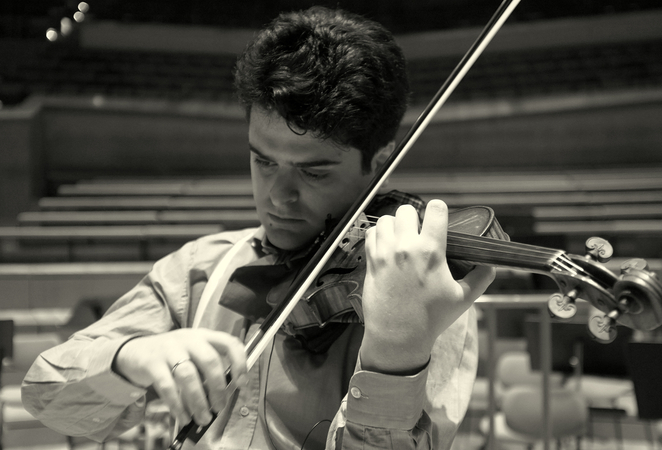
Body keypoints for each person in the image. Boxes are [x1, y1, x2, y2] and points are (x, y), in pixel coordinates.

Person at [21, 6, 496, 450]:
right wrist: (130, 358)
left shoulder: (427, 295)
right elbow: (48, 397)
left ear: (379, 162)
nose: (277, 195)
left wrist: (395, 352)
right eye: (263, 161)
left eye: (313, 172)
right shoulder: (198, 269)